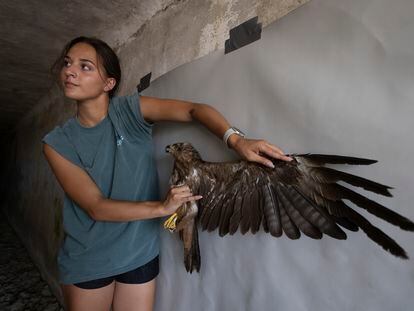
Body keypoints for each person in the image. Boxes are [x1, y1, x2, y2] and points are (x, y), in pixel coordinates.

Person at [42, 36, 293, 311]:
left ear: (108, 83)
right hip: (89, 257)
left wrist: (237, 141)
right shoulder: (57, 142)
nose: (70, 71)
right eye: (67, 63)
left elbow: (193, 109)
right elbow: (96, 208)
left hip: (139, 254)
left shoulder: (129, 112)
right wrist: (162, 207)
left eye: (85, 66)